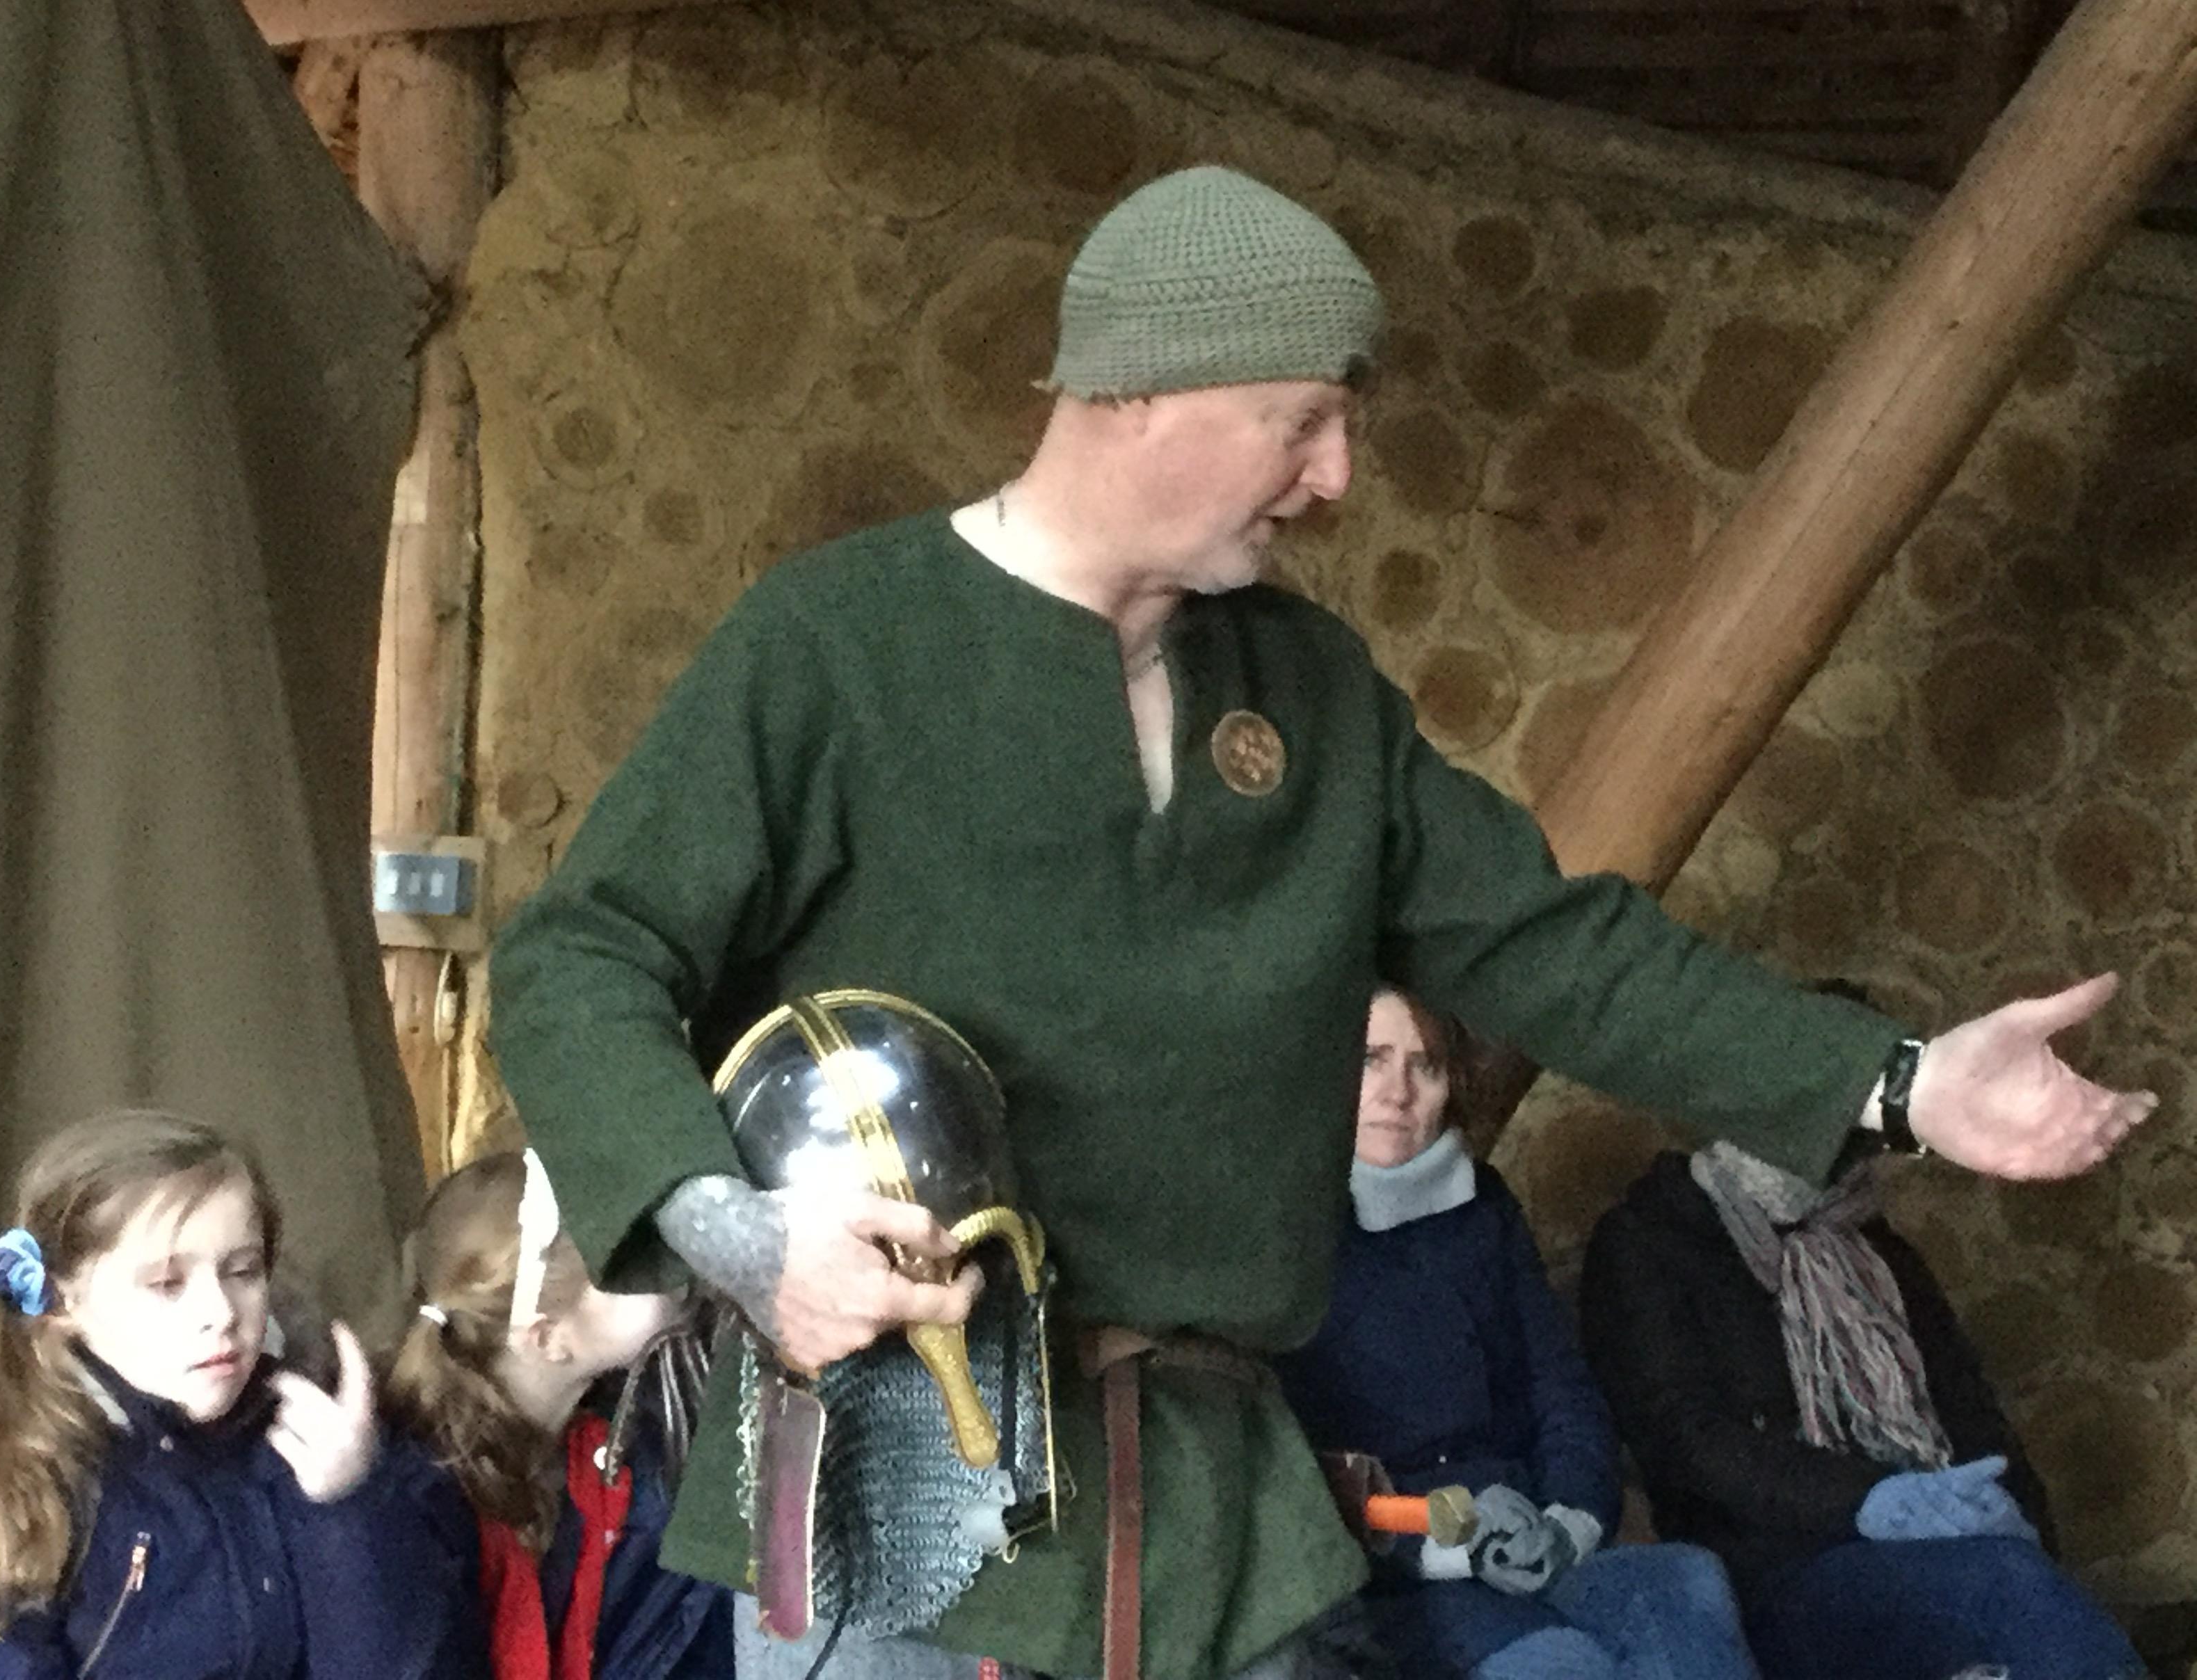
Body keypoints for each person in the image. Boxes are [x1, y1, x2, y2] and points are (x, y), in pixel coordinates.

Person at [488, 163, 2151, 1680]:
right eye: (1299, 421)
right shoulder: (837, 647)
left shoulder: (1310, 691)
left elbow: (1558, 944)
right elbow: (583, 957)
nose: (1338, 476)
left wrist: (1902, 1080)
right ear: (1131, 391)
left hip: (1217, 1487)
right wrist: (738, 1234)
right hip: (904, 1467)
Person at [1275, 989, 1761, 1680]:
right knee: (1562, 1664)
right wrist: (1450, 1540)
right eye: (1371, 1061)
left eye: (1425, 1066)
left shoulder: (1482, 1205)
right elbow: (1291, 1467)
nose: (1398, 1093)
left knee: (1684, 1584)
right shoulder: (1283, 1236)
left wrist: (1570, 1521)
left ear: (1452, 1084)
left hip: (1532, 1528)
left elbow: (1560, 1388)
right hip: (1396, 1572)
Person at [1580, 1120, 2148, 1680]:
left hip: (1940, 1549)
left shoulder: (1877, 1247)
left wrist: (2015, 1521)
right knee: (2003, 1591)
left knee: (2023, 1588)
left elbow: (1969, 1412)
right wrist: (1870, 1500)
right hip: (1775, 1569)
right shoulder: (1648, 1243)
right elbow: (1687, 1441)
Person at [0, 1108, 473, 1679]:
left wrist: (349, 1508)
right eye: (167, 1284)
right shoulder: (7, 1476)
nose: (221, 1313)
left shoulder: (322, 1436)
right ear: (65, 1304)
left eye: (243, 1272)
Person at [383, 1150, 733, 1680]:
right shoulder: (431, 1522)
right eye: (623, 1267)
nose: (661, 1256)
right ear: (547, 1338)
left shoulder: (625, 1438)